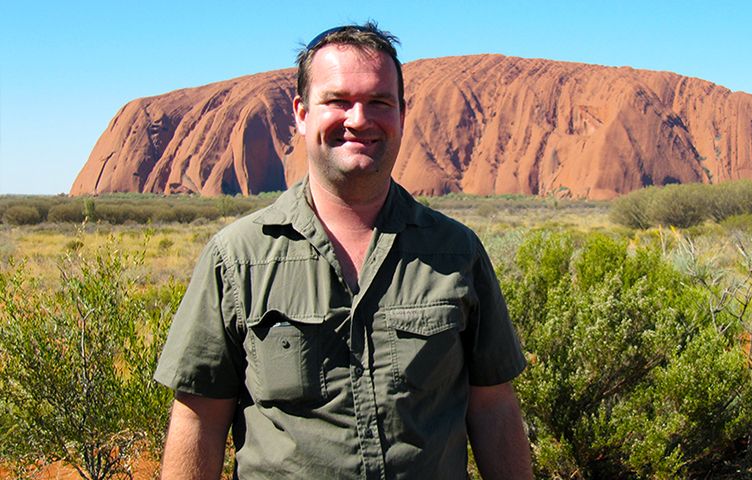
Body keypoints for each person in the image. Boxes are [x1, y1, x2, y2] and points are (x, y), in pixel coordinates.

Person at [154, 22, 532, 479]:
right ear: (300, 113)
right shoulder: (238, 258)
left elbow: (493, 407)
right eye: (337, 101)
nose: (359, 119)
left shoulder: (456, 252)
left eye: (379, 102)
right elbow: (199, 420)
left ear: (402, 114)